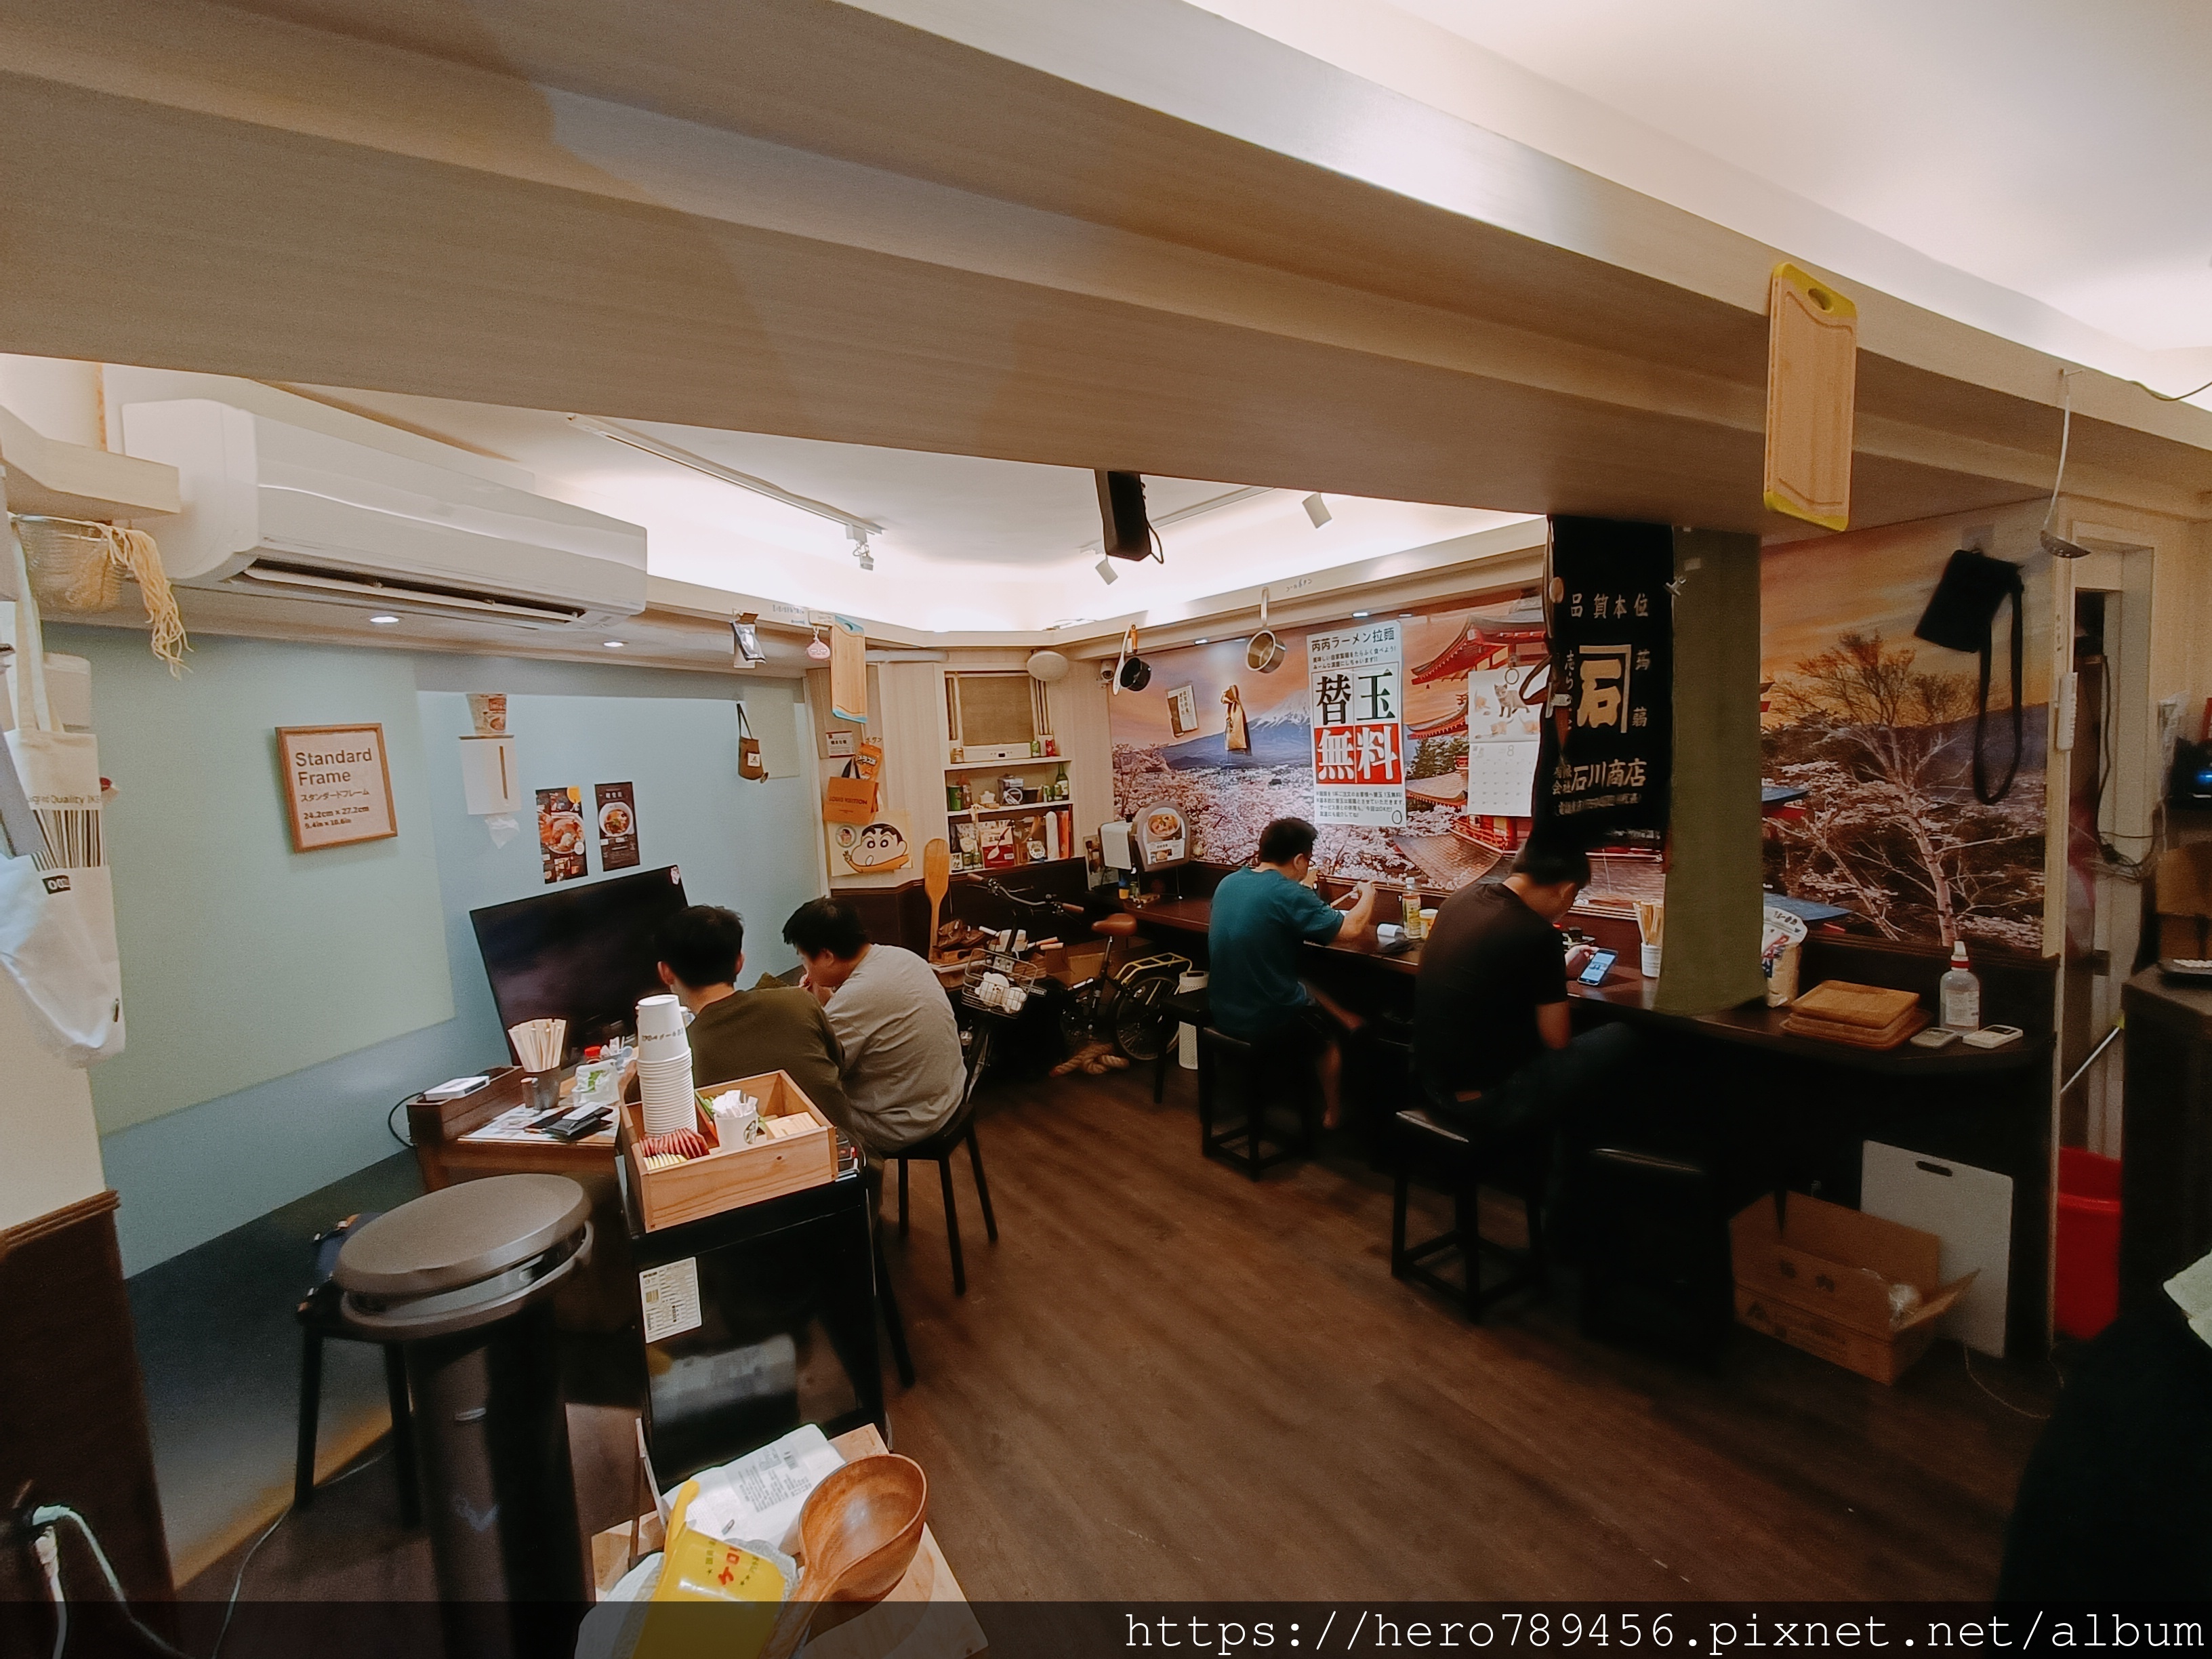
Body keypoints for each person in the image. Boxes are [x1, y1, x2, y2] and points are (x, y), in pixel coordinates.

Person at [1413, 838, 1637, 1151]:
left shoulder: (1460, 901)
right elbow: (1557, 1039)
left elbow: (1496, 970)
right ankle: (1570, 1168)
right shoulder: (1537, 932)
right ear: (1566, 890)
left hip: (1430, 1084)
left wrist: (1556, 970)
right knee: (1624, 1035)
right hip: (1486, 1102)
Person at [1206, 817, 1378, 1129]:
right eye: (1308, 860)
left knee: (1302, 981)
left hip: (1223, 1008)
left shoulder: (1229, 882)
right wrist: (1368, 894)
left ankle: (1346, 1017)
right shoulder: (1288, 893)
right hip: (1265, 1017)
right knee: (1327, 1040)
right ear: (1300, 859)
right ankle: (1333, 1115)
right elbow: (1351, 930)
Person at [781, 897, 965, 1155]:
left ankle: (856, 1183)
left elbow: (819, 1068)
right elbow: (867, 1017)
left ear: (827, 956)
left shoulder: (856, 998)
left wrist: (814, 1010)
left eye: (804, 958)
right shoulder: (901, 956)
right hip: (949, 1094)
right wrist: (829, 1003)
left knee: (801, 1111)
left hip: (906, 1122)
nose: (806, 968)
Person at [652, 904, 855, 1136]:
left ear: (665, 972)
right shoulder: (800, 1001)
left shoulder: (678, 1053)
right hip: (848, 1152)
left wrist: (628, 1078)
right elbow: (839, 1063)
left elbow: (644, 1113)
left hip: (762, 1158)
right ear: (739, 962)